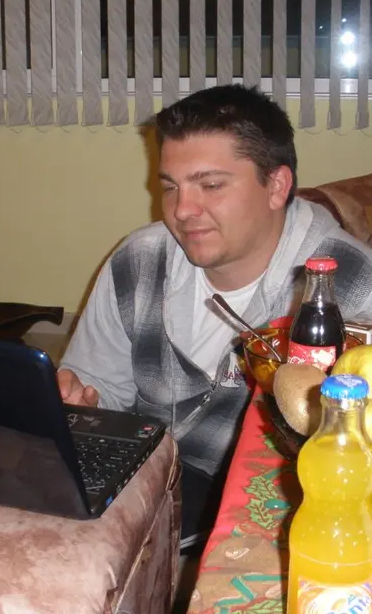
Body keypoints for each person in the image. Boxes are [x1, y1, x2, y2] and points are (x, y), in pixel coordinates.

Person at [57, 84, 372, 547]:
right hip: (141, 483)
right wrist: (80, 402)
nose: (182, 210)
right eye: (170, 187)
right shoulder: (138, 261)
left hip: (269, 508)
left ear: (276, 186)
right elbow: (96, 383)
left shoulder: (355, 289)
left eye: (211, 185)